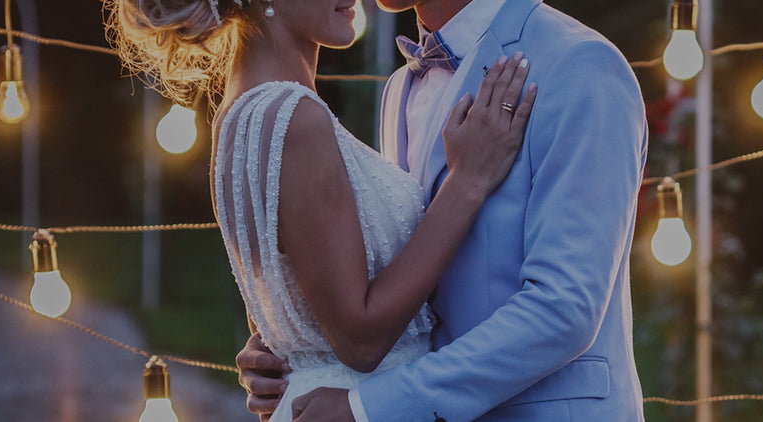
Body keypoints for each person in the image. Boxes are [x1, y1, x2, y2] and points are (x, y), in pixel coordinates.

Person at [108, 0, 539, 421]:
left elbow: (287, 300)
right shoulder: (294, 117)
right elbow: (362, 340)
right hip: (350, 406)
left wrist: (277, 353)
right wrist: (467, 182)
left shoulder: (237, 114)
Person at [234, 0, 649, 421]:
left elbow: (564, 309)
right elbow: (406, 279)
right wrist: (295, 347)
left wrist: (368, 407)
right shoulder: (399, 88)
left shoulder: (579, 63)